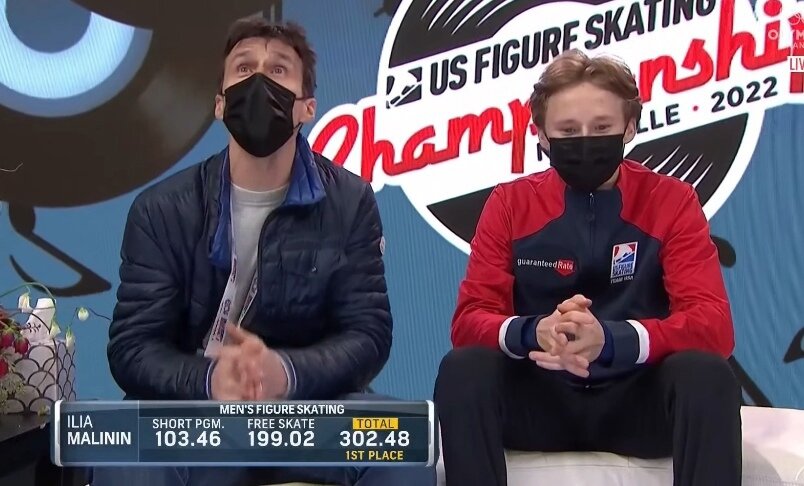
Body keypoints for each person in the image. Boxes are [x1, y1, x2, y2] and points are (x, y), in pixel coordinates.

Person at [94, 15, 435, 486]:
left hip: (306, 413)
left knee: (406, 441)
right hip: (194, 416)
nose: (258, 81)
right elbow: (133, 348)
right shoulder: (162, 209)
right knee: (121, 447)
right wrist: (211, 381)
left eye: (277, 70)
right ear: (219, 104)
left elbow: (367, 335)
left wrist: (285, 373)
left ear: (307, 108)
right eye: (243, 68)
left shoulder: (350, 201)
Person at [434, 49, 742, 486]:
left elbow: (714, 326)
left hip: (637, 403)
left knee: (708, 375)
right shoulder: (509, 203)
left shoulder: (672, 200)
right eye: (568, 130)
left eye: (601, 128)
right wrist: (535, 331)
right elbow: (469, 322)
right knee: (463, 369)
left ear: (629, 128)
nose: (584, 140)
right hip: (539, 402)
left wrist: (612, 340)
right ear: (541, 134)